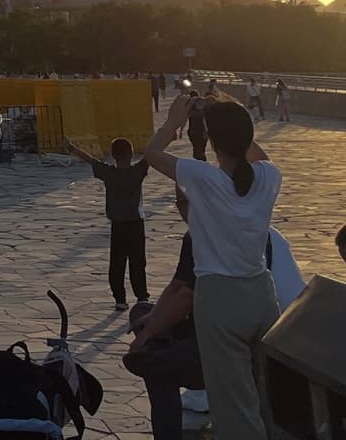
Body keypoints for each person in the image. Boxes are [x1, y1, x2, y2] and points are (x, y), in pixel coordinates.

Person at [144, 93, 281, 440]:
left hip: (220, 297)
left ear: (213, 141)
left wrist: (174, 122)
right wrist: (227, 112)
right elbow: (255, 155)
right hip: (262, 293)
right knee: (267, 391)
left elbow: (151, 153)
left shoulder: (203, 178)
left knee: (233, 401)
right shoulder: (269, 176)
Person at [66, 136, 151, 308]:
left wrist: (73, 148)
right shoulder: (137, 171)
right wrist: (170, 138)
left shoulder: (109, 173)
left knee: (117, 263)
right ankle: (142, 296)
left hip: (118, 225)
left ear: (113, 155)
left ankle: (120, 299)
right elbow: (152, 155)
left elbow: (91, 160)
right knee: (138, 262)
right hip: (136, 224)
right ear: (131, 154)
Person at [185, 89, 209, 161]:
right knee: (200, 150)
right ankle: (202, 165)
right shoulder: (203, 109)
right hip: (201, 132)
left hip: (194, 131)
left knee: (198, 150)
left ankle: (200, 165)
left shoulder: (190, 108)